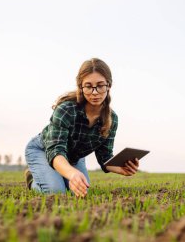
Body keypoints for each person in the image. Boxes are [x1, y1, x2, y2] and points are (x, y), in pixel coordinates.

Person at [24, 58, 140, 197]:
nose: (95, 92)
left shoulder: (111, 119)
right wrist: (72, 173)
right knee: (56, 192)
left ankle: (56, 176)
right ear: (81, 87)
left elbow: (105, 157)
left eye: (100, 85)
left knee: (80, 191)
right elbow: (56, 150)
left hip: (74, 157)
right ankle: (33, 181)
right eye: (88, 86)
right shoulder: (66, 110)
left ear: (108, 85)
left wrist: (120, 168)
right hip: (44, 150)